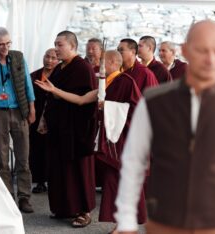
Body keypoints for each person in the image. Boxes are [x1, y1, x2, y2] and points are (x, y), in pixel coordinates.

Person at [115, 20, 215, 234]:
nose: (210, 59)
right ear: (186, 51)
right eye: (202, 50)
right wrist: (126, 220)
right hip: (164, 219)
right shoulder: (154, 100)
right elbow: (134, 161)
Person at [36, 50, 146, 234]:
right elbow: (80, 100)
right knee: (112, 183)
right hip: (110, 141)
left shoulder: (126, 82)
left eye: (102, 63)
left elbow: (137, 109)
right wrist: (54, 90)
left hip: (124, 141)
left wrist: (108, 106)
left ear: (112, 62)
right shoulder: (106, 84)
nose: (99, 68)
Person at [44, 30, 97, 228]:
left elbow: (87, 102)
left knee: (78, 170)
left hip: (77, 128)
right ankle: (64, 207)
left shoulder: (82, 68)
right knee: (60, 170)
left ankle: (84, 211)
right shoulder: (60, 68)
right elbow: (51, 96)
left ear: (72, 46)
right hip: (59, 127)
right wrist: (44, 120)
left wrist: (56, 94)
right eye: (55, 44)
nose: (56, 49)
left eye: (60, 45)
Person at [0, 27, 35, 213]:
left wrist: (31, 108)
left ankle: (24, 197)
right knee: (3, 160)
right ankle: (7, 198)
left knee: (23, 158)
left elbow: (27, 83)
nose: (5, 47)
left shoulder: (17, 57)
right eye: (0, 44)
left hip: (19, 111)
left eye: (8, 43)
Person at [29, 48, 58, 193]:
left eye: (53, 58)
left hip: (53, 117)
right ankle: (39, 181)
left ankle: (53, 180)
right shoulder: (34, 76)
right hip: (35, 116)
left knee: (51, 149)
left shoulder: (60, 75)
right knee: (36, 149)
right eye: (47, 57)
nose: (49, 60)